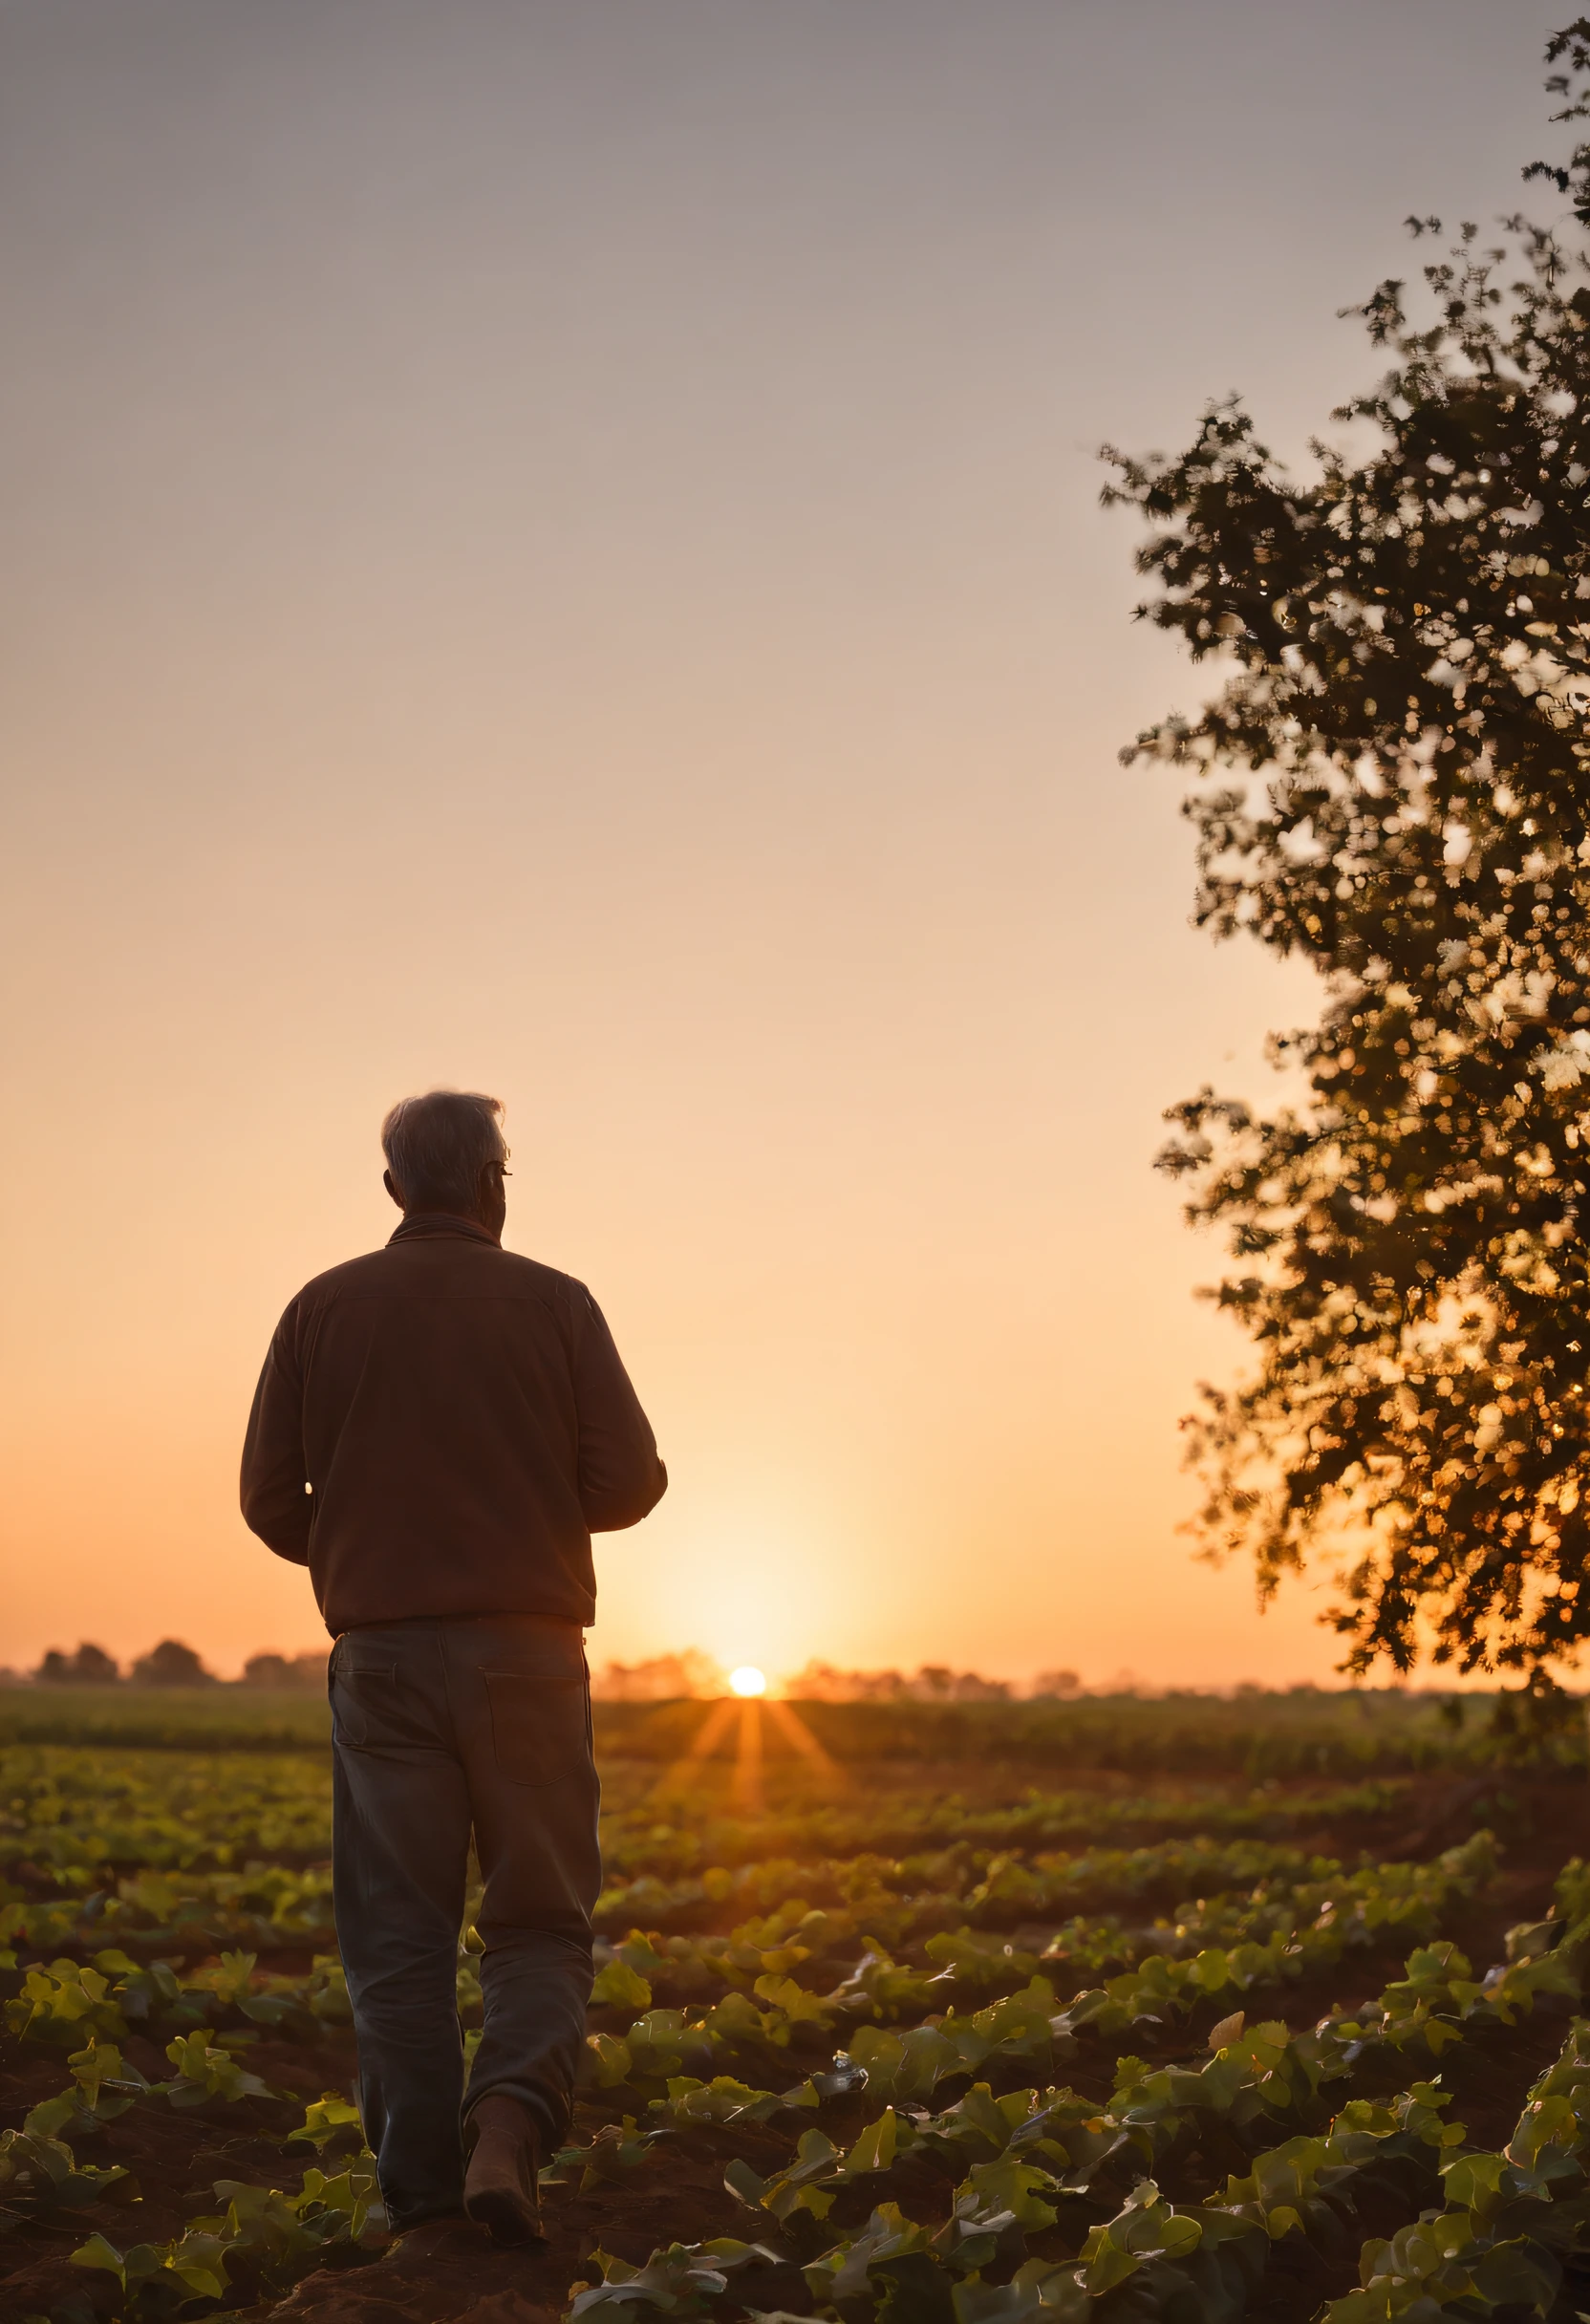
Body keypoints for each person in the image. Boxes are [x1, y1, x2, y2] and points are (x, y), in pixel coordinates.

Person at [239, 1090, 666, 2245]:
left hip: (377, 1655)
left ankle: (419, 2192)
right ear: (494, 1183)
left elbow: (267, 1500)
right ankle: (510, 2129)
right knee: (534, 1919)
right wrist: (524, 1511)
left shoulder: (317, 1309)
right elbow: (630, 1481)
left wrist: (362, 1543)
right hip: (526, 1651)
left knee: (398, 1935)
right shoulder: (556, 1304)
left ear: (392, 1189)